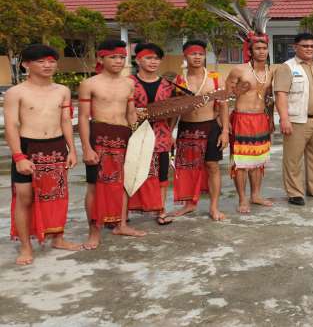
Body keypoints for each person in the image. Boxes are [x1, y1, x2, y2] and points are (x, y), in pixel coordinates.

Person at [5, 44, 82, 265]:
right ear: (26, 65)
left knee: (57, 196)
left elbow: (66, 120)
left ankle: (58, 237)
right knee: (24, 198)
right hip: (28, 146)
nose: (48, 65)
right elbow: (11, 125)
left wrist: (72, 150)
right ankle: (25, 246)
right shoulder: (16, 92)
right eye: (41, 61)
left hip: (56, 145)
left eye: (51, 61)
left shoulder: (62, 91)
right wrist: (19, 156)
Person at [79, 39, 145, 249]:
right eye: (113, 57)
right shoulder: (89, 84)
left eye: (122, 57)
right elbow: (82, 117)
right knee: (95, 186)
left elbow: (131, 113)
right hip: (99, 135)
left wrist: (139, 136)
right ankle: (94, 232)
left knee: (123, 183)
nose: (118, 61)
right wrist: (87, 148)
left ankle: (121, 224)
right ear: (101, 58)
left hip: (124, 135)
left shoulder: (129, 83)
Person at [170, 40, 230, 220]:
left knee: (212, 166)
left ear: (205, 56)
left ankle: (213, 207)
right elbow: (174, 110)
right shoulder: (179, 80)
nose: (197, 57)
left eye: (200, 54)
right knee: (187, 168)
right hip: (187, 128)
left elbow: (224, 106)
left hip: (210, 126)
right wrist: (169, 132)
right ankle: (189, 204)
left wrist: (225, 131)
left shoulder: (215, 77)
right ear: (185, 56)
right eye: (193, 54)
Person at [273, 33, 313, 206]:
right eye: (305, 46)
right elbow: (281, 95)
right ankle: (295, 192)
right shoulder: (287, 67)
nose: (309, 49)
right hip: (297, 120)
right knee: (293, 159)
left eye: (312, 46)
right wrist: (284, 119)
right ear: (295, 47)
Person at [226, 33, 273, 214]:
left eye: (264, 48)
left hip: (261, 119)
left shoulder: (270, 72)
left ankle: (256, 195)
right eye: (257, 48)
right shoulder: (239, 70)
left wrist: (270, 119)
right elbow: (226, 97)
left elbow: (269, 98)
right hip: (241, 118)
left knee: (258, 160)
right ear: (251, 51)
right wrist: (224, 123)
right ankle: (242, 199)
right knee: (241, 162)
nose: (261, 52)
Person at [128, 43, 175, 224]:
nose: (153, 62)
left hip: (161, 136)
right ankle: (127, 210)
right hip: (135, 136)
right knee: (134, 173)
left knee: (162, 174)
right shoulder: (128, 83)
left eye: (156, 58)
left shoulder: (167, 85)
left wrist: (170, 133)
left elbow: (173, 112)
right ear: (138, 60)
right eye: (148, 58)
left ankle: (160, 210)